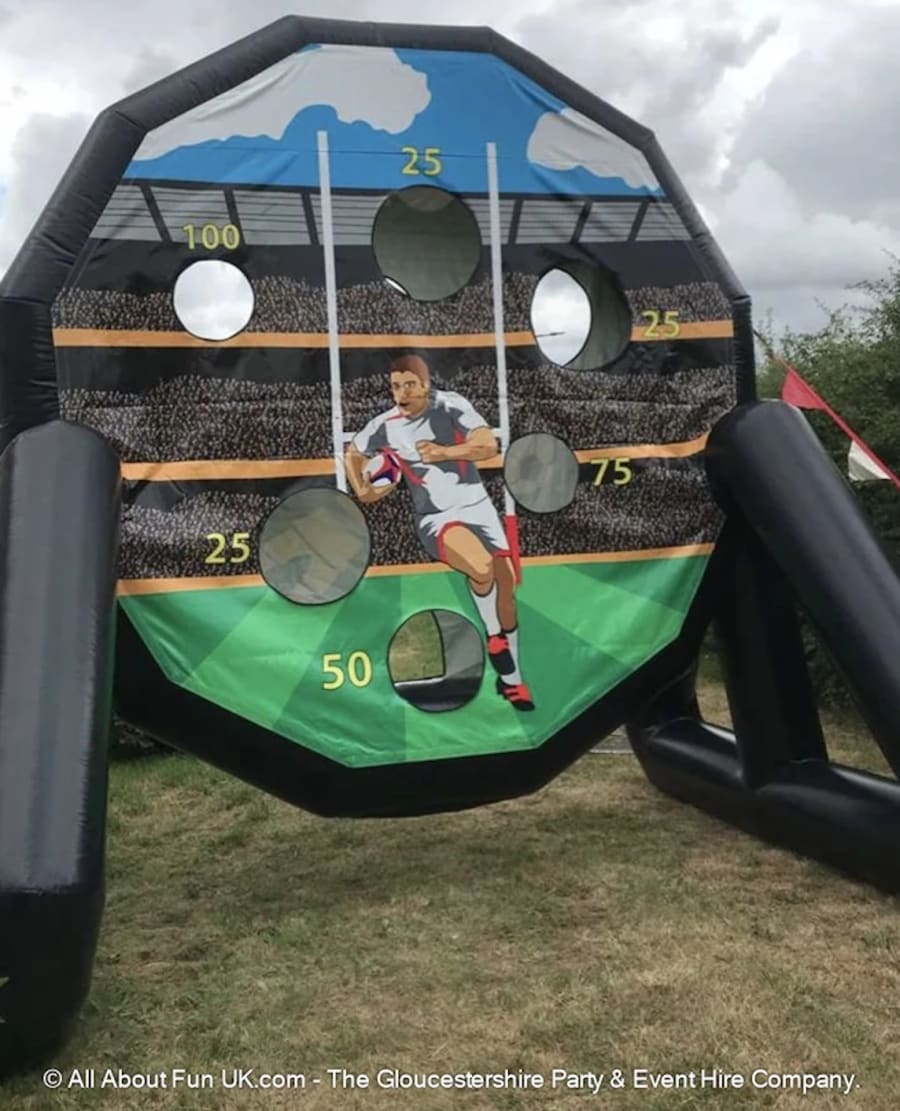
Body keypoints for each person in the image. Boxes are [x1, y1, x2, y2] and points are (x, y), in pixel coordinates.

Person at [345, 354, 534, 711]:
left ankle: (512, 680)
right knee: (481, 567)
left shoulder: (450, 405)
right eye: (395, 386)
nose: (402, 393)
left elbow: (488, 445)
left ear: (425, 384)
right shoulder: (384, 425)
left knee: (506, 585)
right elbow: (353, 454)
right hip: (437, 517)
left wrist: (445, 452)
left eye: (409, 385)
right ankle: (494, 635)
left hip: (478, 506)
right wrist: (363, 491)